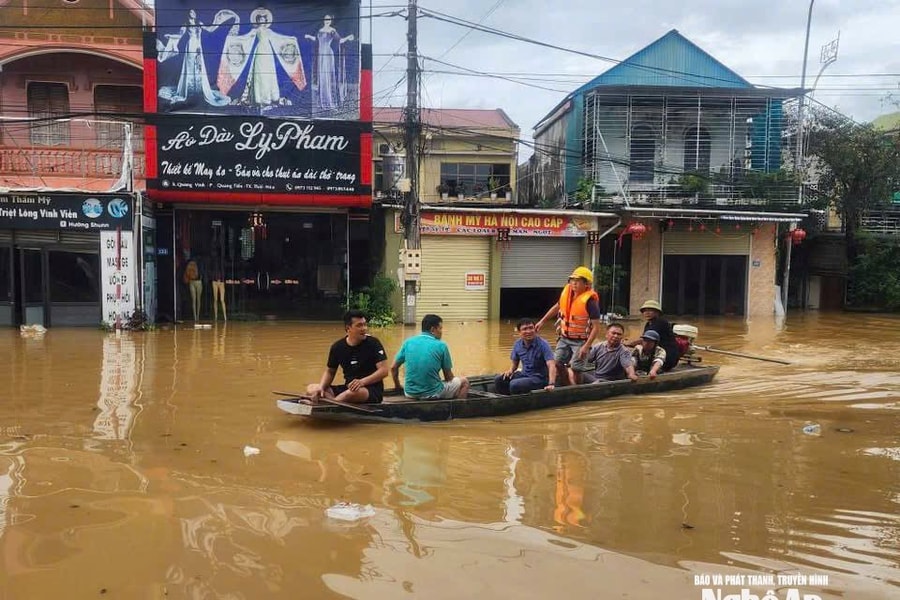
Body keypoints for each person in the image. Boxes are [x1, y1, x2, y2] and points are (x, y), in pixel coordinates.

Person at [217, 7, 307, 108]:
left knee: (269, 73)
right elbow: (245, 38)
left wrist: (291, 39)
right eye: (260, 19)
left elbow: (279, 37)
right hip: (259, 51)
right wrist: (232, 39)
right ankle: (259, 99)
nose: (261, 21)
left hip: (268, 52)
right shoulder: (255, 30)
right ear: (257, 20)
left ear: (266, 20)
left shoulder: (269, 31)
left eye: (263, 19)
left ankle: (271, 97)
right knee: (260, 73)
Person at [536, 266, 602, 386]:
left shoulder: (590, 302)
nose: (574, 284)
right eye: (572, 280)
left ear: (586, 284)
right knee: (557, 363)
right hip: (565, 338)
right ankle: (567, 384)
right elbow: (557, 307)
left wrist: (586, 346)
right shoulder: (567, 294)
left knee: (576, 368)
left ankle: (577, 388)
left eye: (578, 281)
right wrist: (542, 321)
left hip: (581, 340)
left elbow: (596, 328)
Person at [306, 310, 389, 404]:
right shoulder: (337, 347)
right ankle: (333, 401)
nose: (364, 328)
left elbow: (384, 371)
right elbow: (330, 371)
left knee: (352, 393)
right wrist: (321, 388)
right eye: (359, 325)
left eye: (365, 324)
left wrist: (362, 382)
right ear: (348, 328)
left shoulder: (373, 343)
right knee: (311, 388)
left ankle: (326, 404)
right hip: (348, 387)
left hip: (370, 390)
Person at [157, 9, 235, 107]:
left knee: (199, 66)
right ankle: (189, 89)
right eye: (190, 12)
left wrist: (219, 22)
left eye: (193, 12)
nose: (192, 14)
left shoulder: (199, 23)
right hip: (190, 45)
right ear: (188, 14)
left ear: (195, 14)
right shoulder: (186, 24)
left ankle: (198, 88)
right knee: (189, 66)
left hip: (198, 46)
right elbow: (180, 34)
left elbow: (210, 29)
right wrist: (170, 36)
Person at [391, 314, 469, 400]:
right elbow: (448, 377)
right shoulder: (441, 345)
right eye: (440, 328)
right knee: (464, 382)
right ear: (432, 330)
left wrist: (397, 386)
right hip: (432, 393)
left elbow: (393, 368)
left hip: (409, 393)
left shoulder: (408, 342)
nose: (441, 331)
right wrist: (456, 382)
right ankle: (459, 410)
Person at [305, 15, 355, 112]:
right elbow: (316, 39)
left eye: (329, 19)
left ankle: (330, 102)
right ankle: (323, 101)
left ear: (331, 21)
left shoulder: (332, 30)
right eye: (326, 19)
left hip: (328, 54)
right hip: (321, 55)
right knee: (322, 78)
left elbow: (339, 40)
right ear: (324, 20)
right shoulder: (320, 30)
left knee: (328, 77)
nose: (327, 21)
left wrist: (348, 37)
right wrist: (308, 36)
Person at [494, 318, 557, 395]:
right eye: (525, 329)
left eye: (531, 328)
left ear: (535, 329)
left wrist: (551, 384)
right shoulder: (517, 344)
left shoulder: (543, 344)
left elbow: (551, 365)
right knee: (499, 379)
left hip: (540, 378)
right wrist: (510, 371)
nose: (528, 331)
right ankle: (504, 398)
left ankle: (514, 401)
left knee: (514, 384)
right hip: (524, 375)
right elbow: (515, 365)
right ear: (519, 332)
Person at [626, 300, 680, 371]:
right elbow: (643, 339)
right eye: (645, 311)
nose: (647, 313)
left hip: (666, 356)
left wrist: (628, 343)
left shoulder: (660, 322)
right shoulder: (648, 324)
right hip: (656, 353)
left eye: (650, 310)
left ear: (657, 312)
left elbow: (644, 340)